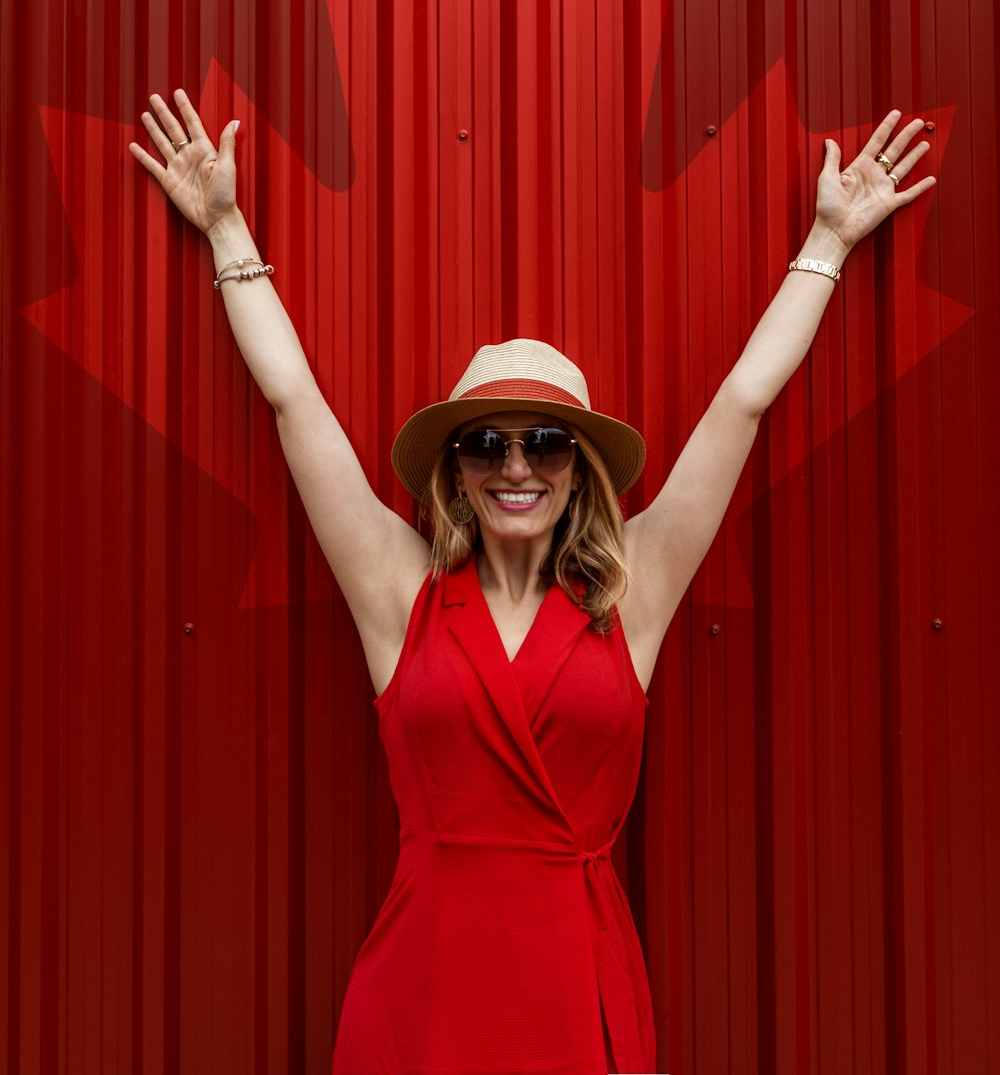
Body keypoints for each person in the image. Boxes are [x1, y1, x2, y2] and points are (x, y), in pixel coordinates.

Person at [129, 90, 936, 1075]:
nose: (517, 467)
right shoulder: (398, 591)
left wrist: (828, 239)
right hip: (422, 986)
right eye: (486, 443)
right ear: (456, 468)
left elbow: (743, 403)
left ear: (579, 465)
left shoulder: (631, 594)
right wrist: (223, 227)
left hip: (574, 980)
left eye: (546, 442)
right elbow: (294, 404)